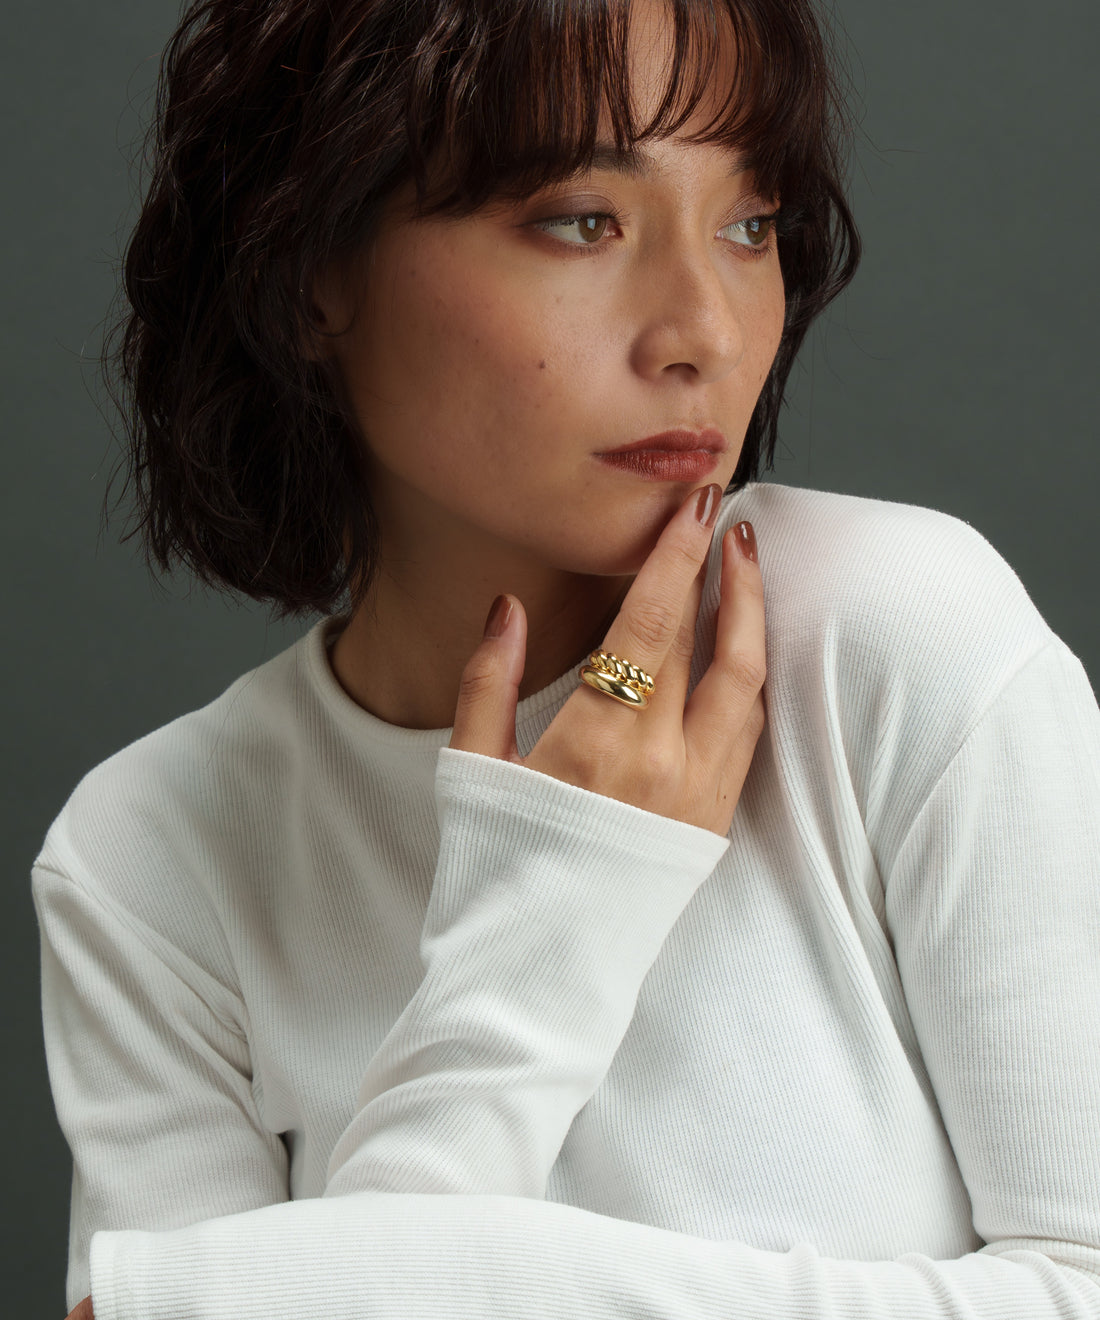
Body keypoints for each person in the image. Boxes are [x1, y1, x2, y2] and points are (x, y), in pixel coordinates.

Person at [33, 0, 1100, 1317]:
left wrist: (307, 1283)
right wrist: (552, 921)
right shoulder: (150, 859)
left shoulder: (892, 637)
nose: (704, 332)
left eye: (750, 223)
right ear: (310, 266)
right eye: (584, 220)